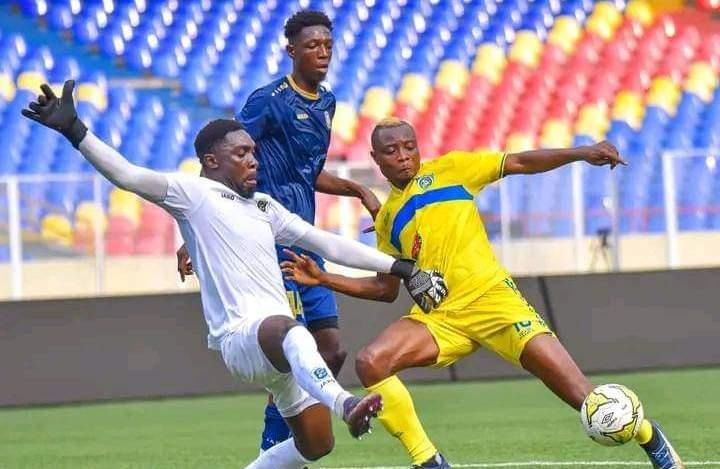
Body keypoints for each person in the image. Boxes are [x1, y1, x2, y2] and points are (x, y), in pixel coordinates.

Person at [22, 83, 448, 468]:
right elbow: (126, 175)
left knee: (315, 446)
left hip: (278, 351)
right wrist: (75, 129)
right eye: (240, 154)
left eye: (253, 152)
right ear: (211, 160)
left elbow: (326, 242)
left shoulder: (264, 207)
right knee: (293, 330)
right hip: (243, 337)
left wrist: (400, 266)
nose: (252, 160)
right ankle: (346, 403)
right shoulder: (192, 195)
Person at [280, 118, 685, 469]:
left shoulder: (452, 169)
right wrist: (326, 278)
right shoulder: (388, 221)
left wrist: (581, 152)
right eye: (392, 151)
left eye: (409, 146)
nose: (403, 155)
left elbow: (519, 162)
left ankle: (650, 435)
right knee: (372, 363)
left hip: (495, 302)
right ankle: (427, 459)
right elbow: (386, 289)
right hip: (441, 319)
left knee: (582, 397)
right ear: (376, 159)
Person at [175, 10, 381, 452]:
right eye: (312, 45)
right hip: (266, 244)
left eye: (327, 44)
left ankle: (297, 433)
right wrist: (192, 230)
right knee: (292, 347)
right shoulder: (268, 100)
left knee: (333, 349)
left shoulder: (326, 105)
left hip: (304, 238)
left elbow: (310, 172)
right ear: (291, 51)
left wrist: (358, 190)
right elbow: (224, 154)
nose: (322, 52)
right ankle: (275, 443)